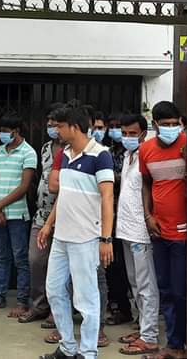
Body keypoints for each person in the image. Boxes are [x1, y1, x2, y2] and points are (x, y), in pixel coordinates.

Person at [37, 102, 115, 359]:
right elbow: (65, 195)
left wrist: (106, 238)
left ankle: (88, 352)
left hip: (85, 238)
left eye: (59, 126)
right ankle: (68, 347)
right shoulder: (66, 155)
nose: (56, 130)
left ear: (74, 127)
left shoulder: (100, 155)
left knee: (86, 298)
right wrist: (48, 224)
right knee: (54, 290)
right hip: (62, 237)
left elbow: (107, 198)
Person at [140, 101, 187, 359]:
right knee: (165, 289)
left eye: (174, 124)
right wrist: (148, 216)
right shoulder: (146, 149)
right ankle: (173, 343)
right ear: (155, 125)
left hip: (183, 232)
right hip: (159, 229)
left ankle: (180, 345)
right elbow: (146, 184)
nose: (171, 128)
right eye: (165, 124)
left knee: (180, 291)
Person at [0, 112, 37, 317]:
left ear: (16, 131)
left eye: (5, 131)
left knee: (20, 258)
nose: (2, 134)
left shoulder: (28, 152)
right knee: (1, 257)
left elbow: (24, 187)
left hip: (17, 215)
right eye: (1, 130)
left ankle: (22, 301)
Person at [114, 113, 160, 355]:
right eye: (124, 133)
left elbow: (150, 190)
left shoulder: (147, 154)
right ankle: (142, 328)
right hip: (126, 229)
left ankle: (149, 336)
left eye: (132, 133)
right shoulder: (127, 156)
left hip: (141, 232)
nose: (127, 137)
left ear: (143, 133)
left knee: (146, 285)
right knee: (134, 282)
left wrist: (148, 218)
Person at [20, 103, 66, 324]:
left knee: (60, 266)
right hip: (42, 212)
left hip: (64, 214)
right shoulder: (46, 148)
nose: (51, 127)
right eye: (49, 123)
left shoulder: (73, 149)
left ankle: (57, 311)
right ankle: (39, 305)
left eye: (54, 124)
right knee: (36, 260)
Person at [103, 111, 133, 327]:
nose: (116, 132)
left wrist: (114, 178)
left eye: (119, 128)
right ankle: (118, 307)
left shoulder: (134, 153)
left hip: (129, 216)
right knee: (112, 266)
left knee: (128, 268)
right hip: (110, 216)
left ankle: (130, 309)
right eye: (112, 127)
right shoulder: (107, 152)